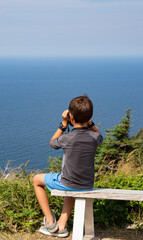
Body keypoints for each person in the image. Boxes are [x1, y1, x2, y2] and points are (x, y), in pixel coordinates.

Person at [33, 95, 103, 237]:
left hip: (69, 182)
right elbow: (99, 135)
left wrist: (63, 124)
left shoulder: (67, 138)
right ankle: (62, 225)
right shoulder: (94, 137)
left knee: (36, 180)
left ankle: (50, 222)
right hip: (87, 183)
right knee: (71, 182)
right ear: (90, 116)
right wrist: (90, 123)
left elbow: (53, 142)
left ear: (71, 117)